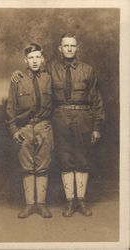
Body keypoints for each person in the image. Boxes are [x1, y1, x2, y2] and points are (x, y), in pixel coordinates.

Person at [11, 32, 105, 217]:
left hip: (83, 116)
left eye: (73, 46)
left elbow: (96, 100)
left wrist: (96, 126)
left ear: (77, 48)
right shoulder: (50, 70)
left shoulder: (88, 70)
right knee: (65, 158)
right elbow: (33, 75)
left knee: (82, 158)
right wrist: (17, 73)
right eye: (66, 46)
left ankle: (82, 202)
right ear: (60, 49)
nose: (69, 49)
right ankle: (70, 202)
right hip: (60, 117)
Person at [7, 43, 53, 218]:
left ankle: (41, 204)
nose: (34, 61)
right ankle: (29, 204)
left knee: (43, 165)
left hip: (44, 126)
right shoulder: (17, 80)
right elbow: (10, 107)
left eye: (38, 57)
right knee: (27, 166)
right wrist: (13, 130)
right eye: (31, 58)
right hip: (24, 128)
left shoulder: (49, 78)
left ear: (42, 59)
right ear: (25, 60)